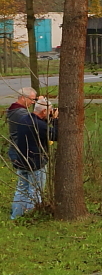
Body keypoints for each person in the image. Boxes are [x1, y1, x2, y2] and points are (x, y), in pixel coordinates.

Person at [7, 87, 56, 219]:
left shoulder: (24, 118)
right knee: (35, 191)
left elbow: (37, 120)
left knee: (21, 189)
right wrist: (55, 119)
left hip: (21, 158)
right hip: (35, 161)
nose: (33, 102)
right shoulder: (21, 114)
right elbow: (53, 134)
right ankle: (31, 217)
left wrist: (42, 108)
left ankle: (16, 217)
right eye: (32, 99)